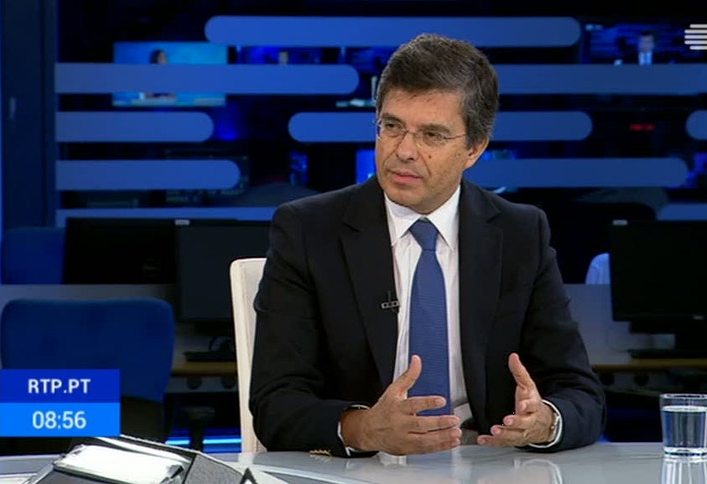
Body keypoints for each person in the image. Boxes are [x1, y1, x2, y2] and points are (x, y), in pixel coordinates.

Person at [250, 33, 605, 457]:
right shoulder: (308, 230)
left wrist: (544, 420)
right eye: (392, 126)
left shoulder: (520, 234)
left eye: (432, 135)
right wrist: (364, 429)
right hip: (360, 467)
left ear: (474, 148)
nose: (404, 151)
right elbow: (275, 402)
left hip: (487, 463)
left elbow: (581, 394)